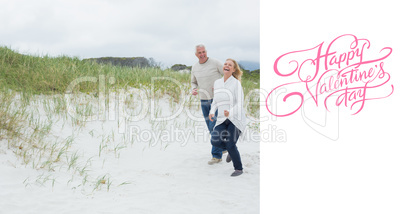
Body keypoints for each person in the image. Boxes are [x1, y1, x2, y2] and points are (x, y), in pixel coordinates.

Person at [208, 58, 246, 177]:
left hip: (235, 119)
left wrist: (230, 112)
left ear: (233, 69)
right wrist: (212, 111)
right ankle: (231, 150)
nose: (227, 66)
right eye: (225, 64)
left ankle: (238, 168)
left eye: (230, 65)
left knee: (230, 143)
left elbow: (240, 104)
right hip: (221, 118)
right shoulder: (217, 83)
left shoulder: (236, 84)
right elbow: (215, 100)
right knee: (214, 140)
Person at [191, 44, 226, 165]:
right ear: (196, 55)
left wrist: (220, 86)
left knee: (214, 127)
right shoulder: (194, 67)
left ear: (206, 52)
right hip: (204, 100)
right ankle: (223, 146)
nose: (202, 54)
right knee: (210, 128)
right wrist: (194, 89)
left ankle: (216, 156)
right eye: (199, 53)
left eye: (203, 52)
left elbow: (227, 75)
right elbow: (193, 82)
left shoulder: (215, 62)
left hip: (216, 100)